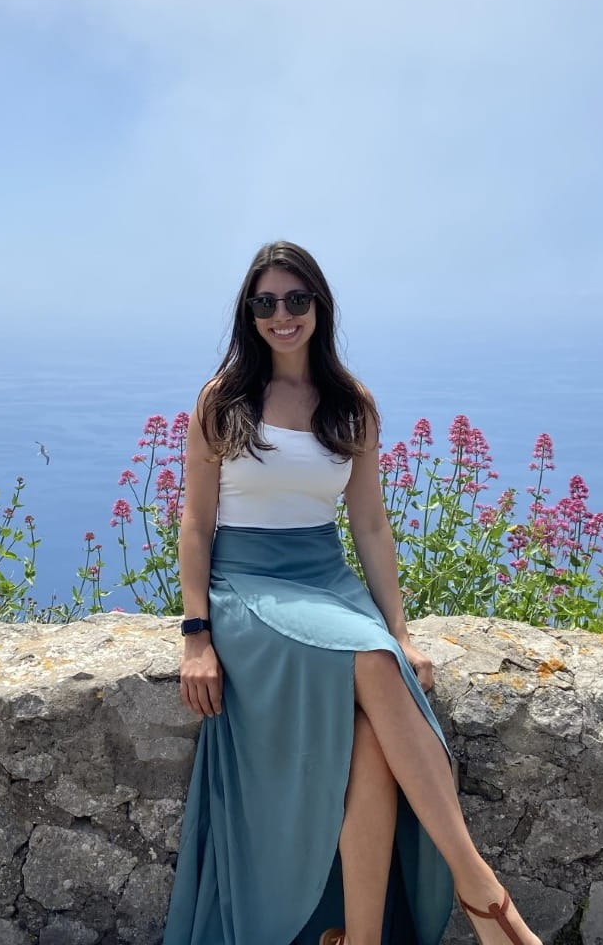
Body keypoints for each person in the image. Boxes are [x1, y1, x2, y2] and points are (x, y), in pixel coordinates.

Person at [162, 241, 542, 945]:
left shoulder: (351, 404)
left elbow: (369, 525)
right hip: (248, 584)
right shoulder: (223, 401)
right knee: (371, 660)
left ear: (319, 306)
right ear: (249, 313)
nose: (282, 314)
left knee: (370, 732)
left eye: (296, 299)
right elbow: (195, 523)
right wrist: (196, 636)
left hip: (327, 581)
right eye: (266, 302)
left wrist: (402, 632)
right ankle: (482, 894)